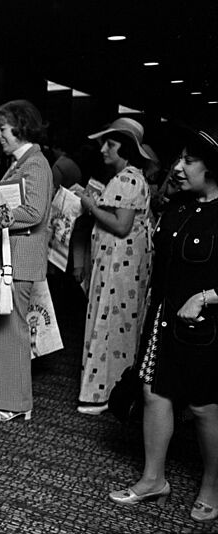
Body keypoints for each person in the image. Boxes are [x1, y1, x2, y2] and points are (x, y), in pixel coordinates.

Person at [109, 123, 218, 523]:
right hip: (163, 318)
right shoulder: (178, 205)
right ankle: (153, 479)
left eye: (190, 161)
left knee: (203, 407)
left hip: (207, 326)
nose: (179, 167)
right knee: (155, 394)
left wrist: (205, 297)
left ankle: (213, 486)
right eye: (179, 159)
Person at [0, 99, 53, 422]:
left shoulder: (34, 164)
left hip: (20, 257)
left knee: (13, 329)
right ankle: (2, 396)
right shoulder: (21, 163)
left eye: (3, 130)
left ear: (21, 127)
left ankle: (17, 402)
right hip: (11, 255)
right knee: (3, 327)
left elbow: (34, 212)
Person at [75, 118, 153, 415]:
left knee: (108, 325)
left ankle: (101, 394)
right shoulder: (129, 178)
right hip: (120, 266)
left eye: (110, 144)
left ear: (126, 148)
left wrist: (90, 205)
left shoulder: (127, 179)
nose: (103, 149)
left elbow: (121, 226)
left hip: (119, 267)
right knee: (118, 326)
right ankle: (113, 391)